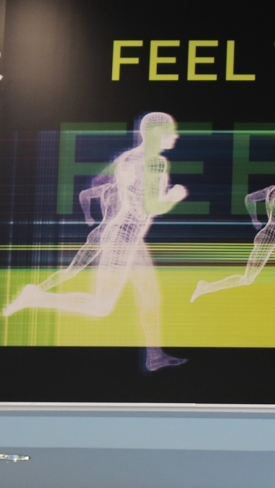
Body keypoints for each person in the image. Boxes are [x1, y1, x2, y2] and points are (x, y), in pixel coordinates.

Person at [3, 112, 189, 372]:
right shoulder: (154, 162)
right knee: (101, 306)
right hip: (123, 238)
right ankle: (35, 297)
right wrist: (174, 196)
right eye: (170, 131)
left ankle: (154, 356)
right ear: (157, 133)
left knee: (150, 297)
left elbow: (111, 191)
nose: (175, 136)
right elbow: (151, 206)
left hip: (130, 237)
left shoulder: (130, 158)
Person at [191, 165, 275, 300]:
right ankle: (206, 287)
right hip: (269, 240)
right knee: (247, 279)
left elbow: (249, 198)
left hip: (273, 239)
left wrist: (254, 219)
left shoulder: (271, 190)